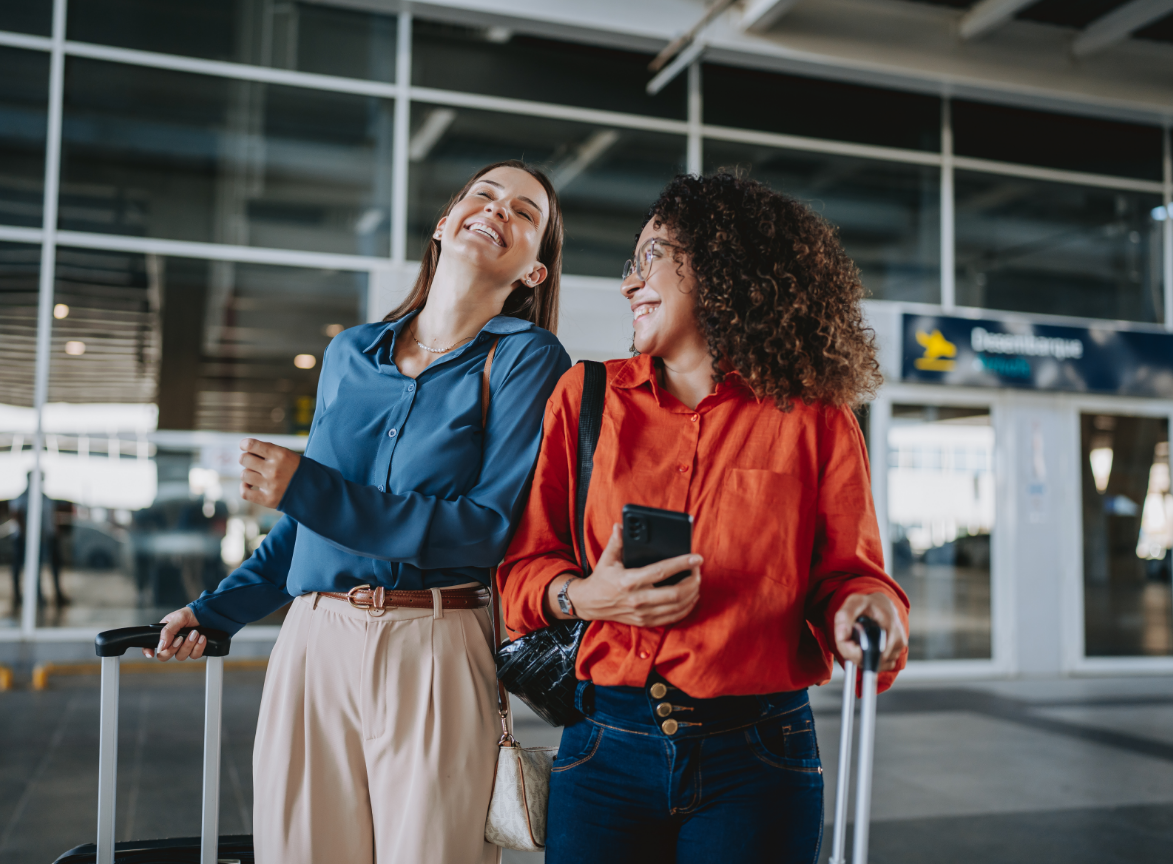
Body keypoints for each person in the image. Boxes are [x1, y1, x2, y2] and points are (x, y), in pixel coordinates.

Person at [145, 160, 572, 864]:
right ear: (444, 223)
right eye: (483, 196)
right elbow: (302, 528)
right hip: (314, 643)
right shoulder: (349, 353)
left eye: (525, 214)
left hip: (435, 641)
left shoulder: (529, 361)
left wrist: (305, 487)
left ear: (533, 272)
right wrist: (214, 611)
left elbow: (487, 527)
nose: (498, 211)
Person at [498, 173, 910, 864]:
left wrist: (863, 607)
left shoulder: (813, 417)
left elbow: (848, 573)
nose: (631, 282)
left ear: (724, 271)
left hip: (758, 756)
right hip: (604, 747)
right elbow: (522, 570)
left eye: (653, 255)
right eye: (631, 263)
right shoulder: (587, 396)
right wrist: (585, 596)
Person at [10, 472, 68, 608]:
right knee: (24, 566)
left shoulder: (44, 498)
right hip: (26, 538)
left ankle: (54, 594)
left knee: (51, 565)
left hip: (46, 536)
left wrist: (55, 531)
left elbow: (51, 516)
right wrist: (27, 534)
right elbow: (17, 515)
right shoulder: (23, 497)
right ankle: (26, 596)